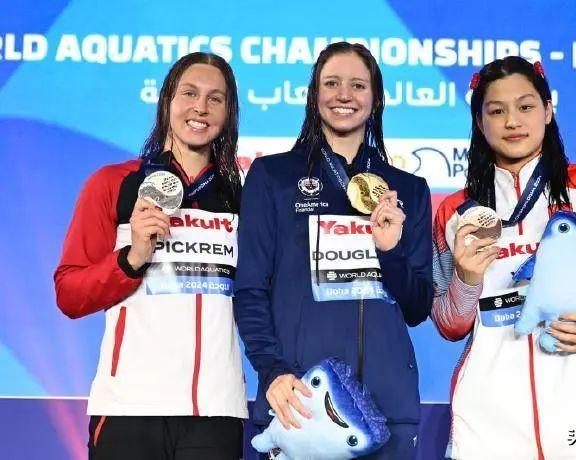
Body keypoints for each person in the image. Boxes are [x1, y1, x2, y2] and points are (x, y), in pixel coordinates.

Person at [431, 56, 576, 459]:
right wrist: (467, 280)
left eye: (525, 106)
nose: (512, 121)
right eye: (496, 111)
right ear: (479, 122)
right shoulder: (455, 212)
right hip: (487, 424)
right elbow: (450, 324)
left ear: (548, 110)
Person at [234, 42, 433, 459]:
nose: (344, 95)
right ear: (314, 94)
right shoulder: (272, 177)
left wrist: (390, 251)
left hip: (388, 410)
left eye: (358, 85)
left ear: (375, 98)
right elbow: (250, 289)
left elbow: (417, 307)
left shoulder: (409, 190)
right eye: (332, 83)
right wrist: (273, 371)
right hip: (302, 405)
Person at [54, 52, 246, 460]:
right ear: (167, 101)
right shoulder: (114, 183)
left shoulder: (242, 195)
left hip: (216, 410)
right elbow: (70, 294)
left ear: (229, 112)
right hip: (130, 408)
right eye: (189, 93)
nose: (200, 107)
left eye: (215, 98)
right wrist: (132, 258)